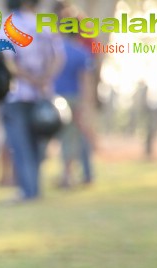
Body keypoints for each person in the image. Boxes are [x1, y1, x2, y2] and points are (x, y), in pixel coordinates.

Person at [0, 0, 64, 201]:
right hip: (42, 95)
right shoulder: (46, 24)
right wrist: (44, 79)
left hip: (17, 94)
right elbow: (58, 58)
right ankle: (34, 189)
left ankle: (28, 191)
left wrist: (30, 79)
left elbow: (8, 61)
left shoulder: (10, 24)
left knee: (21, 145)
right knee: (37, 145)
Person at [53, 17, 94, 188]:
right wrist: (85, 104)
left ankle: (66, 176)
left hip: (52, 99)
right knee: (71, 137)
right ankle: (68, 175)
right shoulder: (81, 52)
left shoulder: (54, 49)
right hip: (73, 98)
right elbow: (85, 81)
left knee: (51, 138)